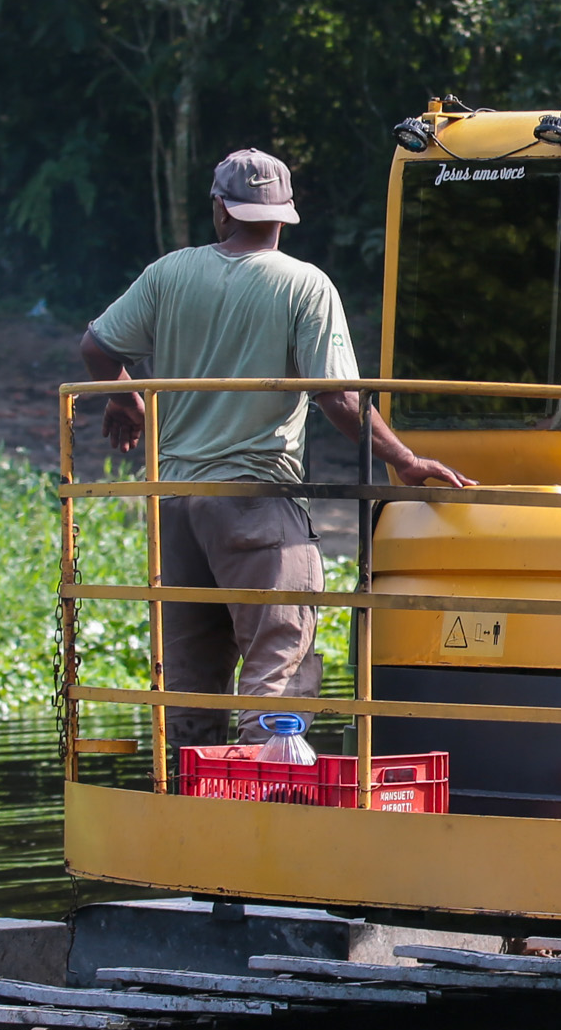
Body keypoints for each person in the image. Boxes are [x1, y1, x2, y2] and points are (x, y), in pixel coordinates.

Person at [80, 149, 471, 747]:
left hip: (176, 506)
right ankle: (263, 801)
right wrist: (405, 461)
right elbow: (339, 399)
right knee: (277, 660)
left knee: (188, 675)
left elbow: (98, 347)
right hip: (254, 503)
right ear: (283, 216)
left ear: (220, 209)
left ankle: (188, 798)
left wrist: (124, 400)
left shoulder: (169, 273)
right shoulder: (305, 286)